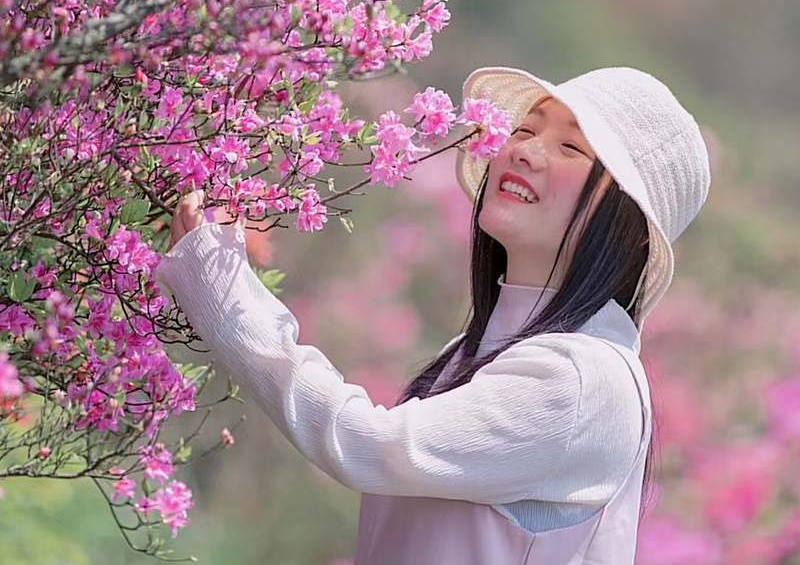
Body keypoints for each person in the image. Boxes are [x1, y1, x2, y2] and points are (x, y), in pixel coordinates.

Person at [155, 65, 711, 564]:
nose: (524, 150)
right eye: (526, 128)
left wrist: (227, 297)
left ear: (625, 228)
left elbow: (367, 444)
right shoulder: (479, 354)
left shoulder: (582, 379)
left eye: (572, 150)